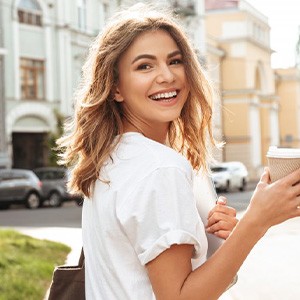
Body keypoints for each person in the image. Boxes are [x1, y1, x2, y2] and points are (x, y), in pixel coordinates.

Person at [57, 3, 300, 299]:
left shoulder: (110, 158)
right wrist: (256, 221)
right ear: (116, 88)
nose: (167, 76)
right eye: (144, 66)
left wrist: (215, 236)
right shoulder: (160, 167)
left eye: (174, 61)